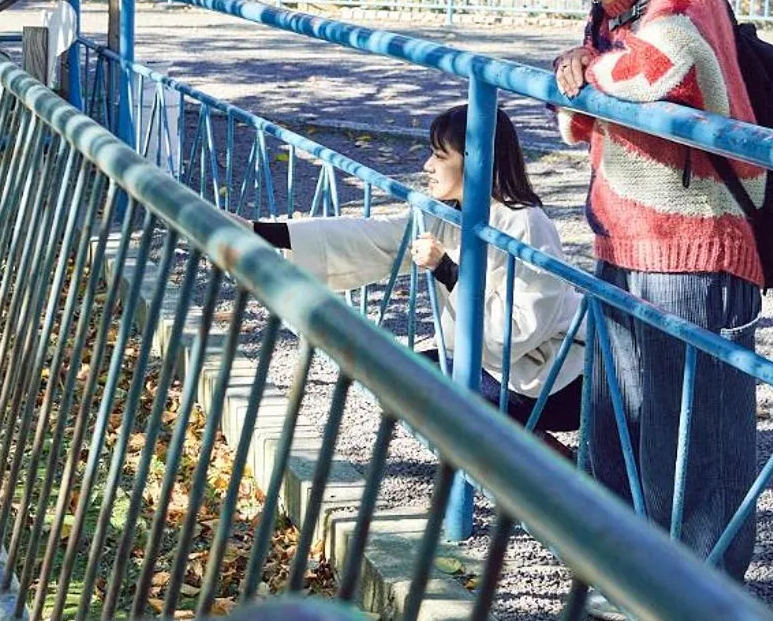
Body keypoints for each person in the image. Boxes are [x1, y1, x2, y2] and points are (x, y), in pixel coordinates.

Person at [520, 0, 764, 596]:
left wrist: (586, 68)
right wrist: (588, 67)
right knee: (618, 421)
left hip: (695, 246)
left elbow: (661, 65)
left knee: (691, 438)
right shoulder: (609, 15)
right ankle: (624, 577)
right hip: (623, 240)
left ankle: (698, 603)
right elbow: (573, 119)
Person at [247, 105, 586, 446]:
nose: (428, 165)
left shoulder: (524, 222)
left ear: (475, 159)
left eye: (440, 155)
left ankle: (539, 467)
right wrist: (260, 232)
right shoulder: (450, 213)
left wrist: (448, 270)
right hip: (497, 366)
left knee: (416, 387)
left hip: (550, 379)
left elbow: (517, 331)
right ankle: (539, 456)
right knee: (393, 375)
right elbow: (371, 238)